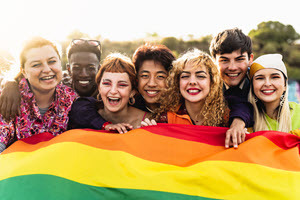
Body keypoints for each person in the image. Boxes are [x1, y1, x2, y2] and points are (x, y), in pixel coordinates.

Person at [0, 37, 77, 153]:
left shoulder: (71, 97)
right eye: (36, 65)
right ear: (24, 72)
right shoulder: (9, 98)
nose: (46, 69)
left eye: (52, 61)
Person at [0, 38, 102, 120]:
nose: (84, 74)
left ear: (99, 69)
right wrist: (10, 83)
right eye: (76, 68)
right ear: (69, 69)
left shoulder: (108, 90)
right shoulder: (62, 82)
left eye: (91, 68)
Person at [143, 49, 229, 128]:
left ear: (212, 82)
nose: (192, 82)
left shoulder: (227, 117)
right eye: (185, 76)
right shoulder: (166, 118)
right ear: (177, 82)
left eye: (200, 76)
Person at [68, 53, 151, 133]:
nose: (113, 91)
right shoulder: (88, 112)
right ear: (99, 87)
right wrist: (105, 125)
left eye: (122, 85)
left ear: (132, 92)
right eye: (107, 84)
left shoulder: (148, 120)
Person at [209, 28, 254, 148]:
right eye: (224, 60)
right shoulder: (204, 86)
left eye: (239, 60)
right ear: (213, 62)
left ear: (250, 59)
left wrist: (238, 121)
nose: (232, 67)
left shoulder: (261, 84)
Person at [248, 54, 300, 133]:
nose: (267, 83)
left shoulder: (298, 113)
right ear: (252, 85)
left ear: (285, 84)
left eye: (275, 77)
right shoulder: (245, 120)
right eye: (260, 78)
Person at [132, 43, 176, 112]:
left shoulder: (182, 112)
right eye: (145, 76)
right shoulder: (127, 110)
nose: (151, 84)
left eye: (160, 76)